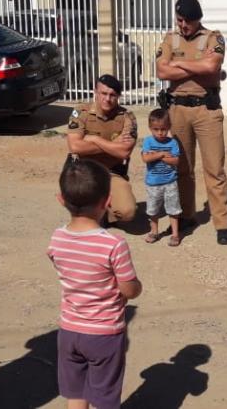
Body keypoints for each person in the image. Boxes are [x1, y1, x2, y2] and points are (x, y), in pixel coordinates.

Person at [47, 157, 142, 409]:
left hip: (69, 330)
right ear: (108, 202)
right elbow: (129, 290)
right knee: (105, 397)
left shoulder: (56, 239)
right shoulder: (112, 244)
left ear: (61, 200)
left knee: (75, 394)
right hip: (104, 334)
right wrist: (136, 286)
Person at [155, 0, 227, 245]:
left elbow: (212, 67)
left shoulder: (213, 37)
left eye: (187, 21)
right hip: (177, 109)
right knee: (182, 169)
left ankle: (222, 224)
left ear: (197, 19)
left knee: (214, 169)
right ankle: (186, 215)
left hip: (206, 111)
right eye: (179, 20)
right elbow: (161, 70)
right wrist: (196, 64)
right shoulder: (170, 39)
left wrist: (178, 63)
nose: (182, 25)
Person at [67, 74, 138, 225]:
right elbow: (75, 146)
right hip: (85, 172)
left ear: (118, 96)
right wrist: (113, 144)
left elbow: (124, 152)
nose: (107, 99)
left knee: (127, 212)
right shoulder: (81, 112)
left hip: (112, 172)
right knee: (84, 215)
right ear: (96, 92)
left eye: (112, 95)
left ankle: (105, 212)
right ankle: (93, 211)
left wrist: (94, 139)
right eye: (103, 93)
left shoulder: (127, 117)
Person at [141, 108, 182, 246]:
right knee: (153, 209)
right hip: (153, 183)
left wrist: (158, 156)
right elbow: (146, 158)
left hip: (170, 182)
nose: (160, 132)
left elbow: (175, 161)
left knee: (173, 209)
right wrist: (162, 154)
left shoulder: (173, 143)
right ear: (150, 128)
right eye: (156, 129)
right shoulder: (147, 141)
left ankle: (175, 234)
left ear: (169, 127)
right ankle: (154, 231)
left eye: (163, 129)